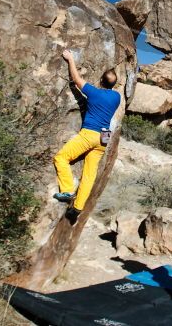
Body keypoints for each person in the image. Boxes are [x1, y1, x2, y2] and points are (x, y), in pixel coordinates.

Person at [53, 49, 120, 222]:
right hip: (104, 137)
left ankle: (67, 190)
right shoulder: (116, 97)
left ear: (100, 80)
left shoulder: (94, 93)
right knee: (90, 173)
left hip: (91, 132)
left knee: (61, 157)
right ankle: (78, 207)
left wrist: (70, 59)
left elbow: (76, 80)